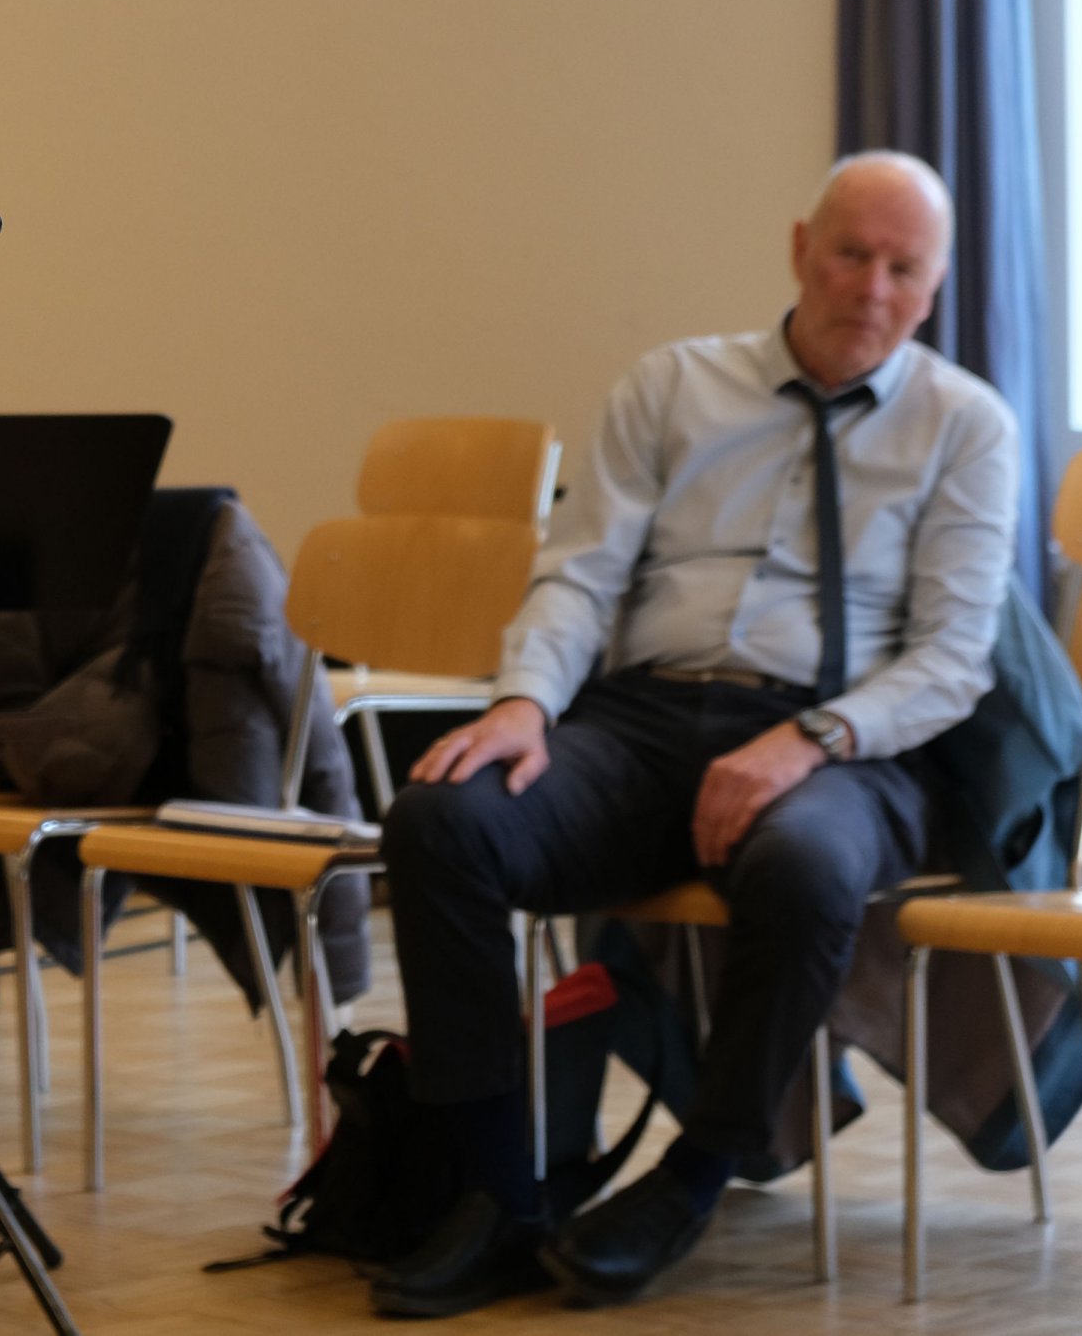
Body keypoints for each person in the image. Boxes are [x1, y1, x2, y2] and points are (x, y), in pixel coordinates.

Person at [368, 151, 1017, 1317]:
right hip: (645, 718)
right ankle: (496, 1195)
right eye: (851, 253)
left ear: (935, 286)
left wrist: (807, 739)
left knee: (806, 864)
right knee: (442, 821)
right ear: (800, 249)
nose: (872, 287)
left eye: (904, 267)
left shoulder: (966, 425)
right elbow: (581, 574)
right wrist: (524, 701)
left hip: (845, 741)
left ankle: (693, 1177)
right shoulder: (674, 385)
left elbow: (954, 655)